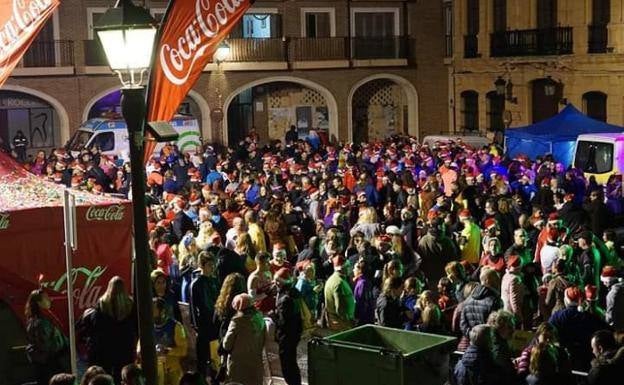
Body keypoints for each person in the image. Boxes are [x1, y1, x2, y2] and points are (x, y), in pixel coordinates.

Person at [80, 276, 137, 383]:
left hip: (104, 349)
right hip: (124, 349)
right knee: (122, 377)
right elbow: (135, 327)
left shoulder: (101, 304)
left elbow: (94, 328)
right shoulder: (130, 305)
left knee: (105, 379)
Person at [548, 286, 610, 370]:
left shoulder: (557, 317)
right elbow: (605, 330)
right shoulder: (590, 317)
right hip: (587, 356)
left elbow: (548, 330)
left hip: (565, 357)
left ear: (566, 300)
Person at [24, 289, 69, 385]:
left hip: (48, 365)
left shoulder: (41, 319)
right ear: (39, 303)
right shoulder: (41, 322)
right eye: (46, 298)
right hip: (51, 366)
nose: (50, 299)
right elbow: (46, 346)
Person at [222, 293, 266, 385]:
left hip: (238, 365)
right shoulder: (259, 317)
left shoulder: (237, 321)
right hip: (256, 363)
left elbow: (227, 345)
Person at [189, 251, 220, 379]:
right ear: (202, 265)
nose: (212, 268)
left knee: (215, 358)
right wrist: (196, 327)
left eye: (213, 265)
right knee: (202, 359)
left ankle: (215, 379)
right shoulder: (195, 284)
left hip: (215, 325)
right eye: (209, 265)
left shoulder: (214, 281)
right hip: (203, 326)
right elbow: (193, 308)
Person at [274, 268, 303, 385]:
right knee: (292, 361)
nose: (275, 284)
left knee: (287, 364)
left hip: (286, 336)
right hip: (295, 333)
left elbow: (282, 322)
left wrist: (273, 316)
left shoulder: (284, 299)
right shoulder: (294, 291)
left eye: (277, 281)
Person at [152, 298, 188, 385]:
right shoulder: (148, 327)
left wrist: (166, 351)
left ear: (162, 311)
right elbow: (140, 345)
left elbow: (184, 350)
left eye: (154, 311)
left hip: (173, 370)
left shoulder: (176, 326)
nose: (151, 314)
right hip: (156, 371)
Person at [460, 267, 503, 338]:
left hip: (473, 342)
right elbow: (497, 326)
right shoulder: (495, 300)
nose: (498, 282)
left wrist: (473, 337)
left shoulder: (467, 300)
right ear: (487, 280)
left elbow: (463, 325)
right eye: (496, 279)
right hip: (489, 344)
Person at [324, 256, 355, 331]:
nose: (350, 269)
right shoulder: (339, 283)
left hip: (338, 321)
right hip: (341, 324)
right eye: (348, 266)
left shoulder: (334, 279)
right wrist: (348, 321)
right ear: (341, 268)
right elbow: (340, 308)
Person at [501, 255, 527, 328]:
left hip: (505, 310)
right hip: (512, 313)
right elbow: (514, 300)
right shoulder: (515, 279)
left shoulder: (506, 275)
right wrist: (519, 316)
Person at [601, 266, 624, 332]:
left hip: (619, 327)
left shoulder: (611, 295)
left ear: (609, 280)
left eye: (604, 281)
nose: (603, 283)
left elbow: (610, 317)